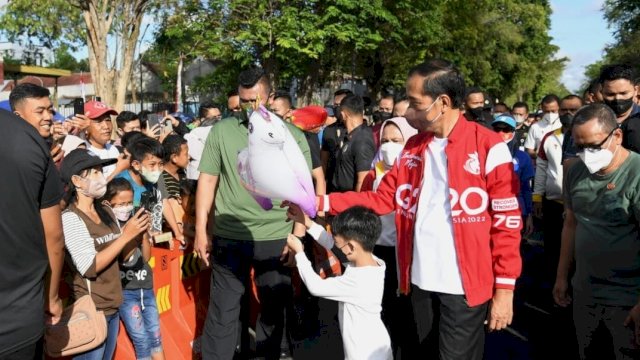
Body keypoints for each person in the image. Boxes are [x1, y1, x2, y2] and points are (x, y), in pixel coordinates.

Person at [316, 59, 522, 359]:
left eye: (415, 102)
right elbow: (382, 199)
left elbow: (507, 223)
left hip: (464, 288)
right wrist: (320, 202)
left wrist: (505, 290)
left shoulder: (489, 147)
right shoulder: (414, 147)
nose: (410, 111)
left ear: (443, 102)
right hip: (417, 282)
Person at [194, 66, 312, 360]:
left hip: (276, 236)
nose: (250, 107)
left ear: (270, 96)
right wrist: (200, 231)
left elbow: (304, 191)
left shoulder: (292, 135)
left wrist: (297, 239)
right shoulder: (221, 131)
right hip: (230, 235)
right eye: (244, 101)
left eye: (256, 100)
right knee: (222, 313)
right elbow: (207, 181)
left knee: (273, 313)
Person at [554, 104, 640, 359]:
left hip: (627, 300)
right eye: (579, 147)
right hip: (585, 295)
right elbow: (571, 223)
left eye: (593, 146)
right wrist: (561, 277)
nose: (586, 154)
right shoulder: (574, 171)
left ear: (617, 136)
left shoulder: (636, 173)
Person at [60, 148, 149, 360]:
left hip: (113, 306)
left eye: (101, 171)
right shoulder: (71, 218)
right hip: (91, 310)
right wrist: (126, 236)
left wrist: (140, 233)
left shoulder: (106, 211)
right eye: (94, 172)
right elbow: (90, 266)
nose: (102, 177)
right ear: (77, 181)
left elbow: (127, 257)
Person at [285, 204, 392, 360]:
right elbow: (331, 244)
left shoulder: (357, 281)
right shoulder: (374, 263)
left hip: (363, 353)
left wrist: (300, 253)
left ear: (350, 247)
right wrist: (306, 222)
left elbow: (316, 287)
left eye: (339, 244)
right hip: (377, 345)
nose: (336, 247)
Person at [0, 109, 65, 359]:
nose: (48, 116)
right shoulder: (27, 137)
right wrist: (52, 297)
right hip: (19, 320)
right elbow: (54, 235)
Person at [361, 117, 418, 358]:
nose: (389, 146)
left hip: (409, 253)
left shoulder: (418, 173)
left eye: (396, 140)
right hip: (379, 252)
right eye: (384, 140)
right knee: (382, 311)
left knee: (408, 314)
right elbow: (363, 208)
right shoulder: (372, 174)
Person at [102, 178, 165, 360]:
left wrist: (144, 234)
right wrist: (129, 233)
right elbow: (126, 259)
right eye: (121, 204)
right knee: (141, 340)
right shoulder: (110, 228)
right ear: (109, 203)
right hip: (127, 293)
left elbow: (145, 258)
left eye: (130, 203)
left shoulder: (135, 221)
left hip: (146, 288)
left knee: (155, 336)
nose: (127, 207)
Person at [117, 137, 184, 245]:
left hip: (152, 239)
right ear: (136, 165)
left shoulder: (155, 179)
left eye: (160, 164)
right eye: (152, 165)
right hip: (132, 242)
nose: (157, 169)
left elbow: (163, 202)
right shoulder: (123, 186)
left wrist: (177, 232)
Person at [491, 114, 535, 236]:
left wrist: (529, 215)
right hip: (489, 210)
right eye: (497, 129)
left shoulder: (523, 157)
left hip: (515, 210)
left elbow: (526, 187)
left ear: (514, 132)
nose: (501, 133)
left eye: (506, 130)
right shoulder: (482, 153)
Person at [331, 93, 376, 193]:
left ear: (343, 114)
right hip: (339, 198)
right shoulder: (350, 136)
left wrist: (356, 206)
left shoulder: (362, 140)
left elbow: (363, 181)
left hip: (349, 203)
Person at [321, 88, 352, 192]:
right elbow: (323, 161)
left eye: (340, 105)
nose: (337, 108)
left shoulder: (358, 131)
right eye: (335, 105)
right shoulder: (328, 130)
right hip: (331, 188)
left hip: (351, 189)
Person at [184, 103, 222, 180]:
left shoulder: (223, 132)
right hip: (196, 179)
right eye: (214, 117)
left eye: (219, 116)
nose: (218, 120)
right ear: (203, 119)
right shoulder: (194, 134)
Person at [524, 94, 561, 159]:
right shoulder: (535, 127)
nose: (550, 114)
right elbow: (529, 149)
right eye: (547, 111)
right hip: (542, 166)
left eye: (553, 111)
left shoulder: (564, 125)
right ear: (542, 109)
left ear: (559, 108)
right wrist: (538, 155)